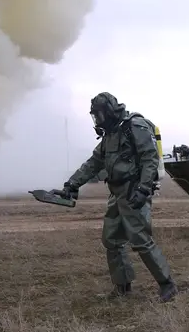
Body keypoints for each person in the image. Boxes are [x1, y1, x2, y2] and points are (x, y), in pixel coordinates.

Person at [56, 92, 177, 302]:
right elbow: (93, 163)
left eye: (100, 115)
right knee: (111, 240)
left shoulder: (135, 126)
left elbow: (150, 159)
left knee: (140, 239)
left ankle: (167, 284)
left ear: (110, 111)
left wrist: (143, 189)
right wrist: (71, 184)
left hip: (133, 190)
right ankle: (122, 286)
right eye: (95, 116)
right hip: (116, 192)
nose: (98, 120)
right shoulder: (110, 134)